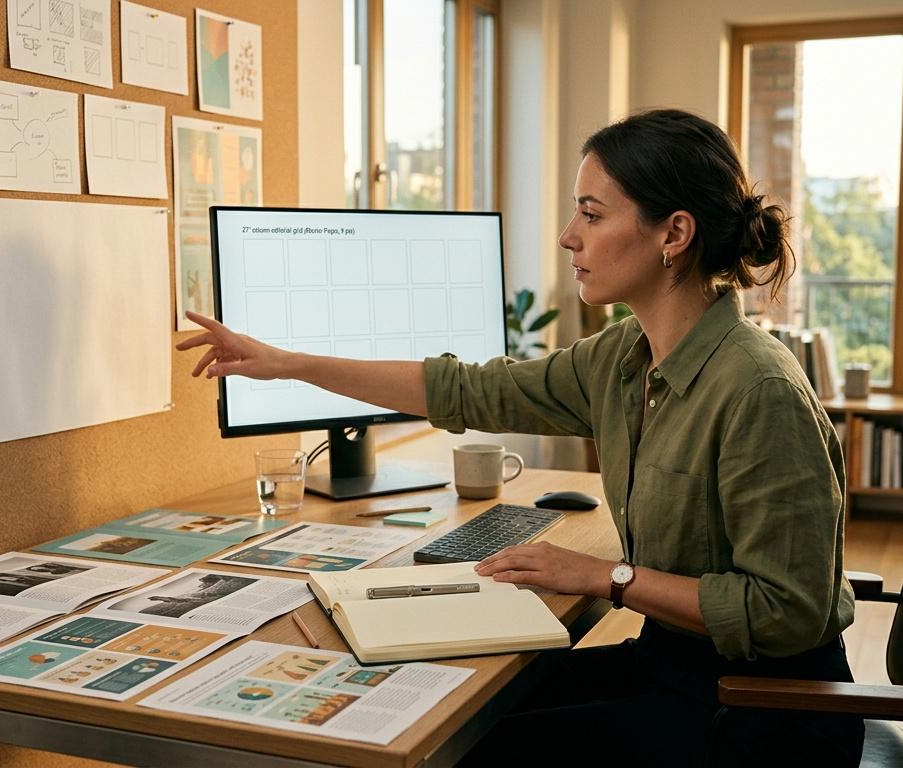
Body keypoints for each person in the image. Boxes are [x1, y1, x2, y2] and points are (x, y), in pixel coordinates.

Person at [176, 109, 863, 764]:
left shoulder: (758, 391)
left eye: (591, 214)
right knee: (458, 714)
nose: (569, 236)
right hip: (675, 669)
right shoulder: (624, 356)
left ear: (673, 235)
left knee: (476, 746)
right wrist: (288, 363)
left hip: (769, 717)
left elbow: (786, 613)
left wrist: (606, 577)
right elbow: (470, 389)